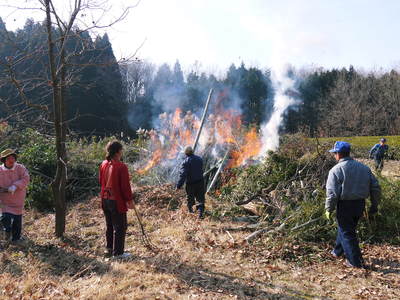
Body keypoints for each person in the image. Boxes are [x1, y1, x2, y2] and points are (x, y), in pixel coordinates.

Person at [325, 141, 381, 268]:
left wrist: (329, 208)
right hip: (360, 205)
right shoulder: (364, 168)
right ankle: (337, 252)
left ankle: (355, 262)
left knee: (347, 232)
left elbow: (332, 193)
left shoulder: (336, 170)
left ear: (338, 154)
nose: (334, 155)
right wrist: (374, 205)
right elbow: (376, 188)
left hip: (345, 205)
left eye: (334, 153)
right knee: (346, 229)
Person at [99, 141, 134, 258]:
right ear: (118, 151)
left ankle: (109, 249)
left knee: (110, 225)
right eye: (121, 150)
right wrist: (129, 200)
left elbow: (101, 181)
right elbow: (125, 187)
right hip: (115, 201)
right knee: (120, 226)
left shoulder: (104, 164)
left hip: (105, 199)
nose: (122, 152)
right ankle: (118, 253)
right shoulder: (121, 166)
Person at [0, 149, 30, 243]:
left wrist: (15, 186)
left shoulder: (20, 168)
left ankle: (16, 239)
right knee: (5, 217)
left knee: (17, 219)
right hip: (4, 201)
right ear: (4, 160)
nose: (11, 160)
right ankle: (7, 232)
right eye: (9, 158)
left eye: (13, 158)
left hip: (18, 199)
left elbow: (26, 179)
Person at [176, 146, 206, 219]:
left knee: (190, 200)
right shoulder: (199, 159)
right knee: (200, 199)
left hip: (191, 184)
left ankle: (191, 214)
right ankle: (200, 214)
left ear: (186, 153)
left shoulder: (185, 162)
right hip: (200, 182)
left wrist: (179, 186)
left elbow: (183, 175)